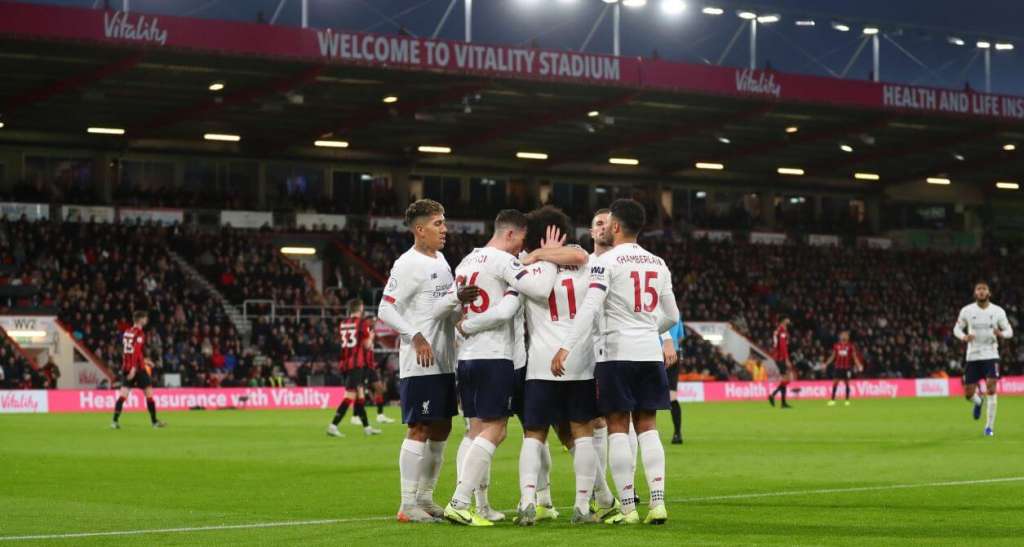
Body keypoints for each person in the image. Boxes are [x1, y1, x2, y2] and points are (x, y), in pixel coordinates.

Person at [553, 198, 679, 525]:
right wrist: (648, 330)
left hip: (615, 354)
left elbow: (590, 308)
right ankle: (658, 503)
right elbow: (672, 315)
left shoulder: (605, 262)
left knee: (618, 428)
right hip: (649, 354)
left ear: (617, 226)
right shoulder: (658, 263)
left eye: (608, 223)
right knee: (648, 427)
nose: (605, 228)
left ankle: (627, 508)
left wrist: (566, 347)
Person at [443, 209, 559, 526]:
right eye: (521, 239)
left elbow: (454, 310)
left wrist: (463, 329)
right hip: (496, 356)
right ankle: (460, 502)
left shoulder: (466, 261)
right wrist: (547, 257)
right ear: (510, 234)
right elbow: (537, 291)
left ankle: (480, 506)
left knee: (475, 431)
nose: (521, 247)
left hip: (467, 357)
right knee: (500, 430)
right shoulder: (504, 262)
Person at [376, 199, 480, 523]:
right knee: (419, 427)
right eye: (438, 223)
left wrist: (460, 313)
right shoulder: (407, 264)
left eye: (444, 222)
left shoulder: (442, 260)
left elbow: (440, 307)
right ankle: (407, 504)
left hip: (444, 360)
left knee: (442, 427)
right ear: (420, 230)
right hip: (420, 361)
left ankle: (425, 496)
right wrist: (415, 336)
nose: (445, 229)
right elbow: (385, 308)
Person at [953, 281, 1013, 437]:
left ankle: (989, 427)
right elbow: (956, 329)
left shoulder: (998, 311)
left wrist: (1001, 334)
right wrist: (963, 337)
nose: (981, 291)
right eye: (978, 289)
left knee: (991, 388)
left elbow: (1009, 331)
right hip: (973, 355)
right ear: (975, 293)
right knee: (968, 393)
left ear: (989, 293)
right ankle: (978, 401)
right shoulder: (967, 310)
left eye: (984, 289)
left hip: (991, 355)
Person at [327, 298, 382, 437]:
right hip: (356, 364)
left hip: (345, 363)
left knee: (360, 395)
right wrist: (371, 337)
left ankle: (367, 428)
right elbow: (367, 345)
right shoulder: (362, 323)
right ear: (360, 308)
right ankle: (333, 426)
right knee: (350, 396)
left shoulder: (343, 323)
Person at [111, 310, 166, 429]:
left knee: (123, 395)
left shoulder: (127, 332)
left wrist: (143, 361)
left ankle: (114, 422)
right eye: (145, 318)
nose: (146, 320)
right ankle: (154, 422)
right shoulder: (140, 333)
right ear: (140, 320)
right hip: (137, 369)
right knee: (149, 394)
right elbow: (135, 351)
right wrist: (134, 368)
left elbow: (128, 351)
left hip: (126, 367)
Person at [825, 331, 862, 406]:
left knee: (847, 383)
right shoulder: (836, 346)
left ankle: (847, 400)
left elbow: (854, 357)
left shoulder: (850, 346)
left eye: (845, 335)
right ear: (840, 337)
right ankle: (832, 400)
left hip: (847, 368)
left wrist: (859, 365)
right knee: (835, 382)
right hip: (838, 367)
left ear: (848, 337)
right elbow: (833, 356)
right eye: (842, 335)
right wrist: (826, 363)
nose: (844, 337)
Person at [663, 318, 684, 444]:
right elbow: (681, 337)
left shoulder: (652, 310)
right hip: (674, 354)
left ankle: (643, 433)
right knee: (672, 397)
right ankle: (677, 434)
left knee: (646, 394)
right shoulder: (677, 315)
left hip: (656, 354)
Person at [768, 317, 794, 408]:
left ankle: (783, 403)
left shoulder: (779, 330)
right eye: (787, 319)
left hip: (778, 357)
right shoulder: (782, 331)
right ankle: (773, 395)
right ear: (783, 320)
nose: (789, 320)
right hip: (781, 357)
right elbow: (783, 346)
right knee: (788, 378)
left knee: (785, 379)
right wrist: (786, 359)